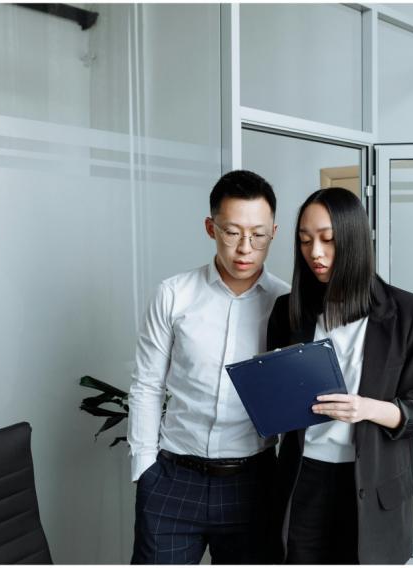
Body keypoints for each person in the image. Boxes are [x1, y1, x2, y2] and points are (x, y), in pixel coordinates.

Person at [266, 187, 413, 564]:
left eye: (328, 240)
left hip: (373, 486)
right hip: (303, 480)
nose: (315, 253)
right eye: (305, 241)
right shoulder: (288, 311)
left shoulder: (406, 312)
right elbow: (274, 408)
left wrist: (365, 408)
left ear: (355, 239)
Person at [127, 169, 290, 564]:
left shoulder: (286, 302)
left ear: (274, 232)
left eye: (258, 234)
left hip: (253, 484)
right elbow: (147, 385)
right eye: (232, 232)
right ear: (210, 227)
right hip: (172, 479)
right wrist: (145, 468)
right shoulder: (174, 294)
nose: (245, 248)